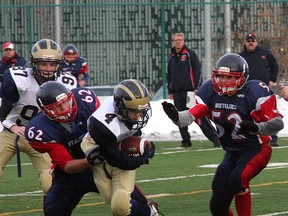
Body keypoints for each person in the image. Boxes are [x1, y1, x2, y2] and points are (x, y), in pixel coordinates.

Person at [162, 53, 284, 216]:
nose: (224, 81)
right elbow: (189, 117)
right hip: (231, 152)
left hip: (256, 148)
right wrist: (176, 117)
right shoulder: (209, 91)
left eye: (229, 77)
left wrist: (257, 127)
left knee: (238, 179)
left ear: (242, 78)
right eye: (221, 77)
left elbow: (278, 124)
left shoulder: (255, 91)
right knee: (218, 206)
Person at [0, 39, 78, 203]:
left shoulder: (66, 82)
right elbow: (2, 112)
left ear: (58, 64)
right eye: (43, 64)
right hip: (9, 132)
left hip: (41, 136)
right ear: (34, 63)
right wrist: (11, 126)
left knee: (50, 181)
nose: (48, 69)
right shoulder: (18, 79)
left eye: (52, 64)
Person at [81, 79, 161, 216]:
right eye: (133, 111)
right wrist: (143, 158)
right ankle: (148, 210)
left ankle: (147, 210)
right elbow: (117, 160)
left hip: (117, 147)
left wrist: (141, 146)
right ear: (121, 107)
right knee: (110, 198)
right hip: (98, 150)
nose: (138, 115)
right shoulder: (103, 123)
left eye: (141, 111)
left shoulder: (135, 113)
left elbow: (134, 132)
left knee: (120, 207)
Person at [167, 32, 220, 148]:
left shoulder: (190, 54)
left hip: (190, 92)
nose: (178, 41)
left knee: (198, 116)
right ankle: (186, 141)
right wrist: (170, 90)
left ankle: (215, 138)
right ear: (173, 41)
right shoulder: (171, 57)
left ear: (183, 41)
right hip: (177, 93)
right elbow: (169, 75)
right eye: (176, 39)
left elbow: (198, 70)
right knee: (179, 117)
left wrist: (197, 87)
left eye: (180, 39)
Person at [239, 33, 280, 147]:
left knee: (268, 114)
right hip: (247, 91)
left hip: (263, 90)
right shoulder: (240, 57)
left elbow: (274, 66)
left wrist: (272, 79)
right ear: (245, 43)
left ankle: (273, 137)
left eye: (253, 40)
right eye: (248, 40)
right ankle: (251, 136)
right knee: (250, 114)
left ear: (256, 42)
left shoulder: (265, 53)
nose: (250, 42)